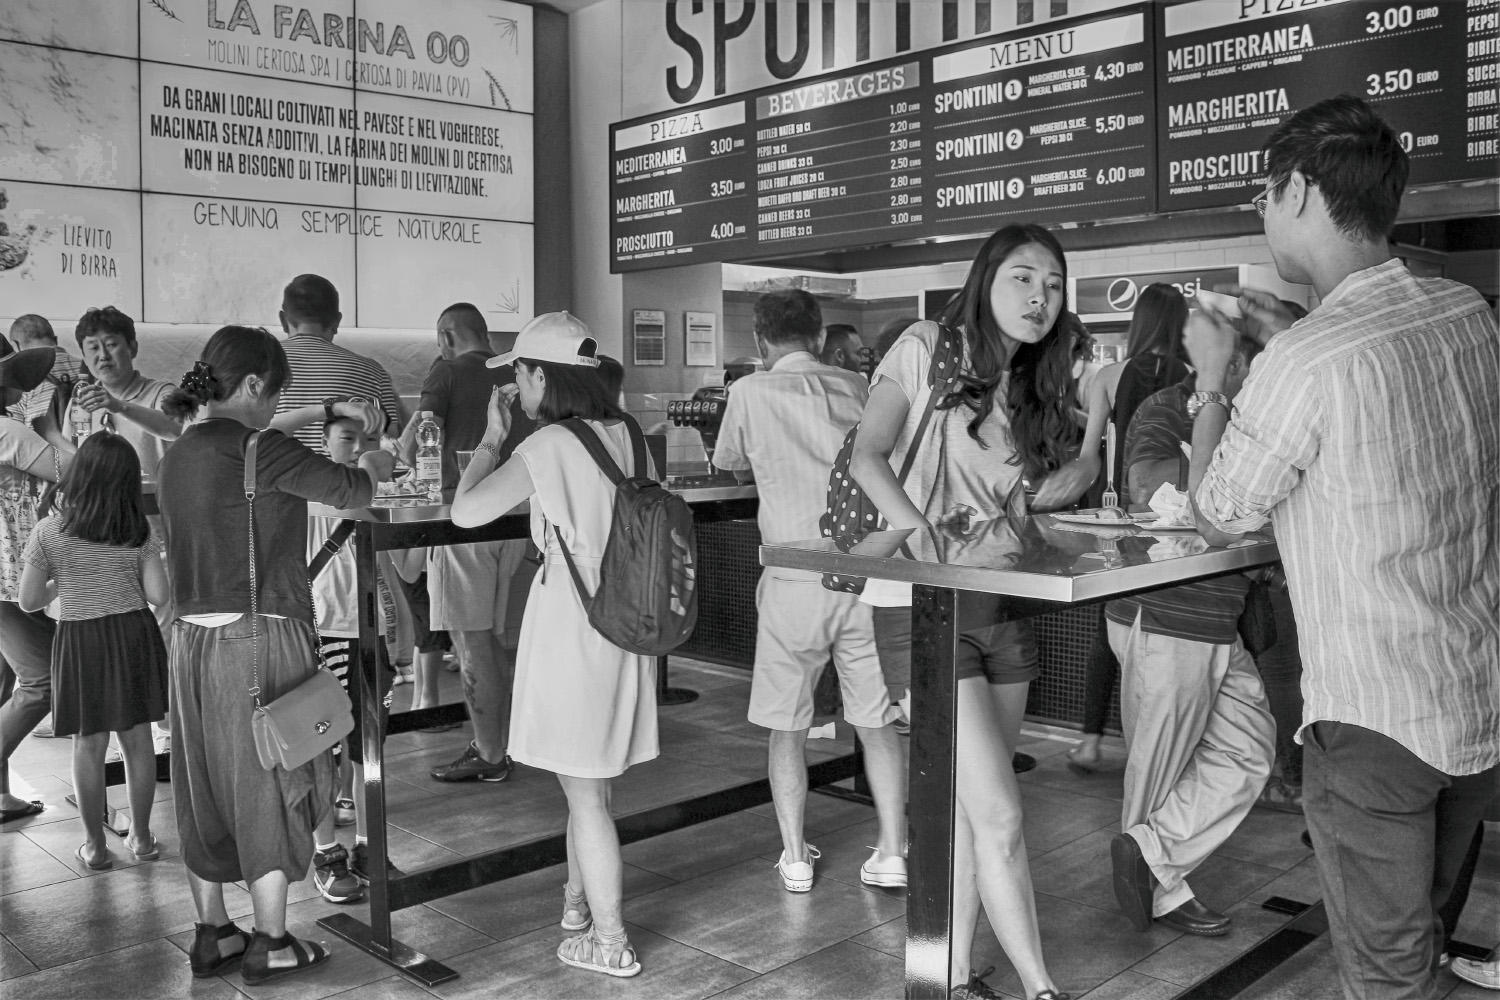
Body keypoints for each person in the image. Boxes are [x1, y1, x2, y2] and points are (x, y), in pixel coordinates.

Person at [1187, 96, 1499, 1000]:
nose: (1262, 211)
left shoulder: (1306, 361)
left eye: (1263, 195)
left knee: (1385, 975)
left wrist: (1212, 380)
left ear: (1296, 190)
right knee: (1419, 944)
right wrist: (1289, 333)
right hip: (1473, 700)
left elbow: (1219, 515)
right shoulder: (1469, 314)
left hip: (1373, 721)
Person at [849, 224, 1094, 1000]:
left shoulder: (1029, 385)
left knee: (969, 811)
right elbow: (866, 454)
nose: (1039, 296)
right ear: (985, 279)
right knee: (1002, 816)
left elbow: (1023, 504)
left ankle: (950, 972)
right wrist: (922, 540)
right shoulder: (924, 347)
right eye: (1023, 277)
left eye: (1052, 284)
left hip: (1000, 605)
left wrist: (1086, 449)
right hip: (921, 607)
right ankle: (1042, 987)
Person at [157, 326, 394, 985]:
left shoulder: (180, 451)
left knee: (203, 783)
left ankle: (214, 934)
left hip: (189, 641)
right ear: (256, 385)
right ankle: (271, 940)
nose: (276, 407)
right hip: (259, 633)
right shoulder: (264, 449)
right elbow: (355, 490)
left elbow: (251, 434)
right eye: (277, 395)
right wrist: (375, 454)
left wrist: (326, 411)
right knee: (273, 779)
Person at [450, 312, 658, 979]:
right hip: (626, 619)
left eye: (519, 371)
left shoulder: (548, 446)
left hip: (573, 623)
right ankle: (576, 903)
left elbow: (465, 511)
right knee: (587, 781)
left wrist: (491, 438)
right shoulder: (630, 435)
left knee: (587, 794)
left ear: (542, 375)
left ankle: (611, 941)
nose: (516, 384)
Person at [713, 290, 908, 892]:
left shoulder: (748, 391)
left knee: (788, 727)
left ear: (760, 340)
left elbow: (731, 465)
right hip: (866, 574)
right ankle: (892, 851)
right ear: (820, 337)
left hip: (793, 576)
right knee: (875, 721)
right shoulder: (858, 385)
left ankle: (796, 857)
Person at [1105, 334, 1275, 937]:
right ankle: (1157, 896)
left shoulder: (1257, 417)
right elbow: (1147, 488)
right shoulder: (1166, 407)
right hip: (1165, 611)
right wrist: (1214, 423)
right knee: (1158, 768)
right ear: (1232, 362)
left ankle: (1152, 857)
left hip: (1218, 615)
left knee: (1249, 747)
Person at [16, 434, 168, 868]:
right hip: (132, 636)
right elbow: (159, 595)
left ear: (80, 475)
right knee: (138, 740)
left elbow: (28, 601)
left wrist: (62, 581)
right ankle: (141, 838)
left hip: (81, 641)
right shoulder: (138, 530)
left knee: (88, 743)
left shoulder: (50, 532)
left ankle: (96, 847)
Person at [402, 302, 536, 784]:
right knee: (498, 638)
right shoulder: (514, 373)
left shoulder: (446, 372)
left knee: (470, 638)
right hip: (518, 519)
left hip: (466, 519)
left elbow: (416, 443)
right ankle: (509, 742)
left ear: (446, 336)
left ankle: (490, 753)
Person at [308, 414, 404, 891]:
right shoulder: (313, 491)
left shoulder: (379, 494)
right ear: (324, 443)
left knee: (370, 750)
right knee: (321, 750)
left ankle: (369, 846)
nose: (358, 448)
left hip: (371, 633)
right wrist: (374, 465)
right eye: (348, 437)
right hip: (324, 634)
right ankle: (326, 852)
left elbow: (405, 565)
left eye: (367, 439)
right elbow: (357, 504)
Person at [0, 343, 73, 823]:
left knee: (6, 684)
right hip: (6, 578)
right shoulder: (8, 431)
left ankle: (1, 797)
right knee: (44, 679)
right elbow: (77, 470)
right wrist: (51, 430)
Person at [1083, 283, 1191, 497]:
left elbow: (1088, 455)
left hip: (1119, 498)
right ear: (1182, 323)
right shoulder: (1195, 376)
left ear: (1140, 322)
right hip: (1176, 500)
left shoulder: (1108, 375)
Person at [273, 274, 404, 449]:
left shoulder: (259, 365)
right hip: (348, 468)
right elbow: (391, 442)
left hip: (275, 466)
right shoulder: (373, 372)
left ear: (283, 320)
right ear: (337, 321)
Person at [67, 307, 181, 476]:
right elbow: (69, 454)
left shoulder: (161, 393)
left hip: (149, 493)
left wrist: (120, 406)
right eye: (93, 348)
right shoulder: (81, 400)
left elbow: (177, 427)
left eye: (111, 345)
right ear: (84, 357)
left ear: (132, 348)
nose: (103, 356)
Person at [7, 314, 84, 427]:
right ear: (55, 340)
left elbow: (13, 431)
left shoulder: (16, 380)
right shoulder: (90, 368)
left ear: (14, 346)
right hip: (91, 437)